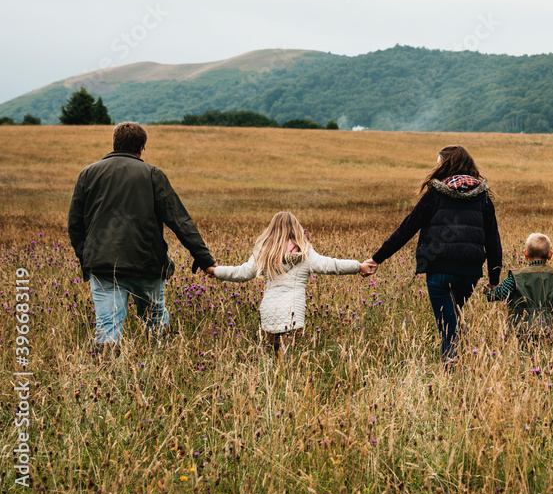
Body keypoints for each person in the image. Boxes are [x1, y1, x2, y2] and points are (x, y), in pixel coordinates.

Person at [68, 122, 217, 351]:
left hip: (102, 266)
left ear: (114, 144)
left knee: (107, 326)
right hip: (146, 264)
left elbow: (75, 224)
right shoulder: (152, 174)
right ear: (141, 147)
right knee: (155, 320)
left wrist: (88, 255)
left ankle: (105, 377)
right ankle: (160, 365)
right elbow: (179, 221)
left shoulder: (88, 173)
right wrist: (205, 260)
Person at [363, 145, 502, 363]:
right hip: (469, 273)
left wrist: (377, 258)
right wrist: (494, 280)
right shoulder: (482, 198)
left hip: (438, 270)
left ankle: (451, 374)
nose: (436, 167)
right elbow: (493, 241)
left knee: (447, 327)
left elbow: (406, 228)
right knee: (454, 319)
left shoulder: (435, 194)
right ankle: (463, 365)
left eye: (439, 163)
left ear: (447, 165)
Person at [208, 212, 374, 360]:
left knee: (272, 358)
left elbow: (241, 272)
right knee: (287, 361)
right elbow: (331, 265)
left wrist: (216, 271)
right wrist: (358, 266)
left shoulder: (264, 252)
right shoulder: (305, 253)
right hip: (293, 315)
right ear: (297, 229)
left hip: (269, 312)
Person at [485, 233, 553, 341]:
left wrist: (489, 292)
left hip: (522, 331)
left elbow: (500, 293)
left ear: (525, 254)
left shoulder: (516, 277)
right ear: (550, 255)